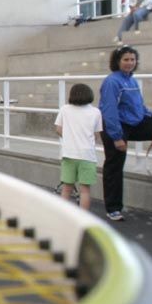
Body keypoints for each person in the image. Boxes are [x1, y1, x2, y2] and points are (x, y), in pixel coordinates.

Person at [98, 46, 152, 221]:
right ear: (117, 61)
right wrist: (116, 137)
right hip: (114, 126)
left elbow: (139, 107)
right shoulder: (112, 82)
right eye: (126, 60)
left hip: (135, 123)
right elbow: (109, 111)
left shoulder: (132, 81)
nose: (130, 63)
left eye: (132, 59)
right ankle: (113, 208)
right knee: (114, 166)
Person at [54, 83, 102, 211]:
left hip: (69, 153)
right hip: (88, 156)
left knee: (66, 188)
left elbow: (58, 129)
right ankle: (82, 218)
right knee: (85, 190)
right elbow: (96, 134)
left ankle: (62, 216)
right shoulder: (96, 112)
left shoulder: (65, 109)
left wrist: (70, 138)